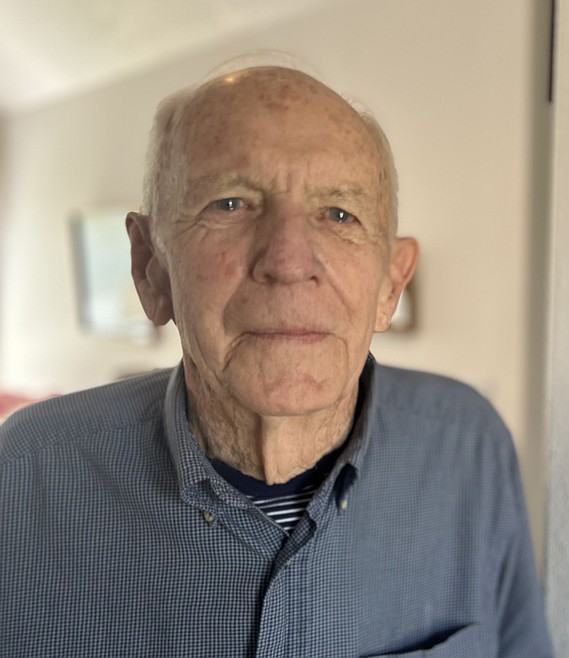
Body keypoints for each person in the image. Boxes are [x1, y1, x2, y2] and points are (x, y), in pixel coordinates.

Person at [0, 62, 553, 657]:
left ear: (391, 284)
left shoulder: (471, 448)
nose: (289, 262)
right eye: (230, 204)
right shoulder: (23, 480)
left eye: (339, 214)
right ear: (150, 267)